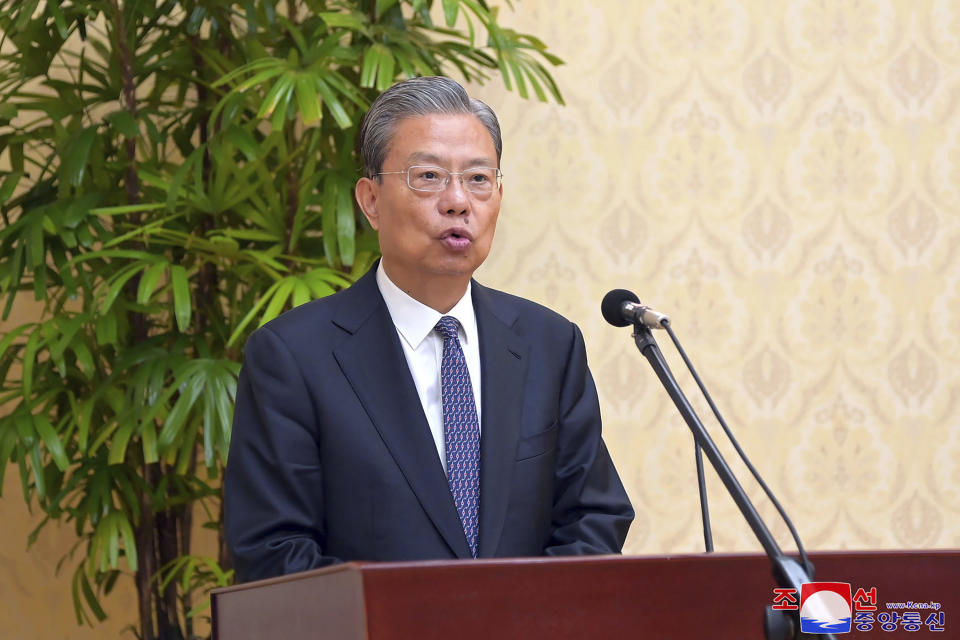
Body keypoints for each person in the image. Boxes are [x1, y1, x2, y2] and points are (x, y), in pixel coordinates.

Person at [225, 76, 633, 583]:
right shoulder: (292, 357)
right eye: (429, 177)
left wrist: (513, 622)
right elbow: (274, 551)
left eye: (478, 179)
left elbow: (592, 519)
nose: (458, 201)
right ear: (371, 200)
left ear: (499, 196)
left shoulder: (550, 344)